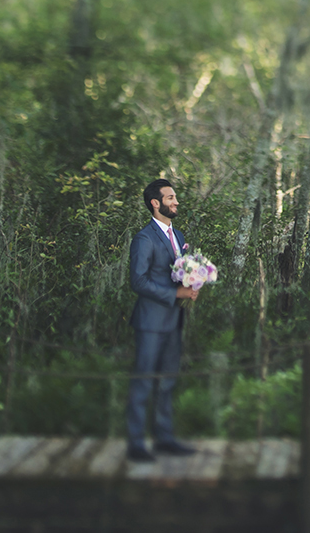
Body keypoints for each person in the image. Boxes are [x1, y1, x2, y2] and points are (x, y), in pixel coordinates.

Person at [126, 178, 200, 462]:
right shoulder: (144, 238)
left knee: (168, 381)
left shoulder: (178, 236)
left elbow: (177, 272)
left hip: (174, 319)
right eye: (170, 198)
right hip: (150, 322)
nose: (176, 201)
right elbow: (138, 281)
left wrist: (193, 282)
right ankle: (135, 443)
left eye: (175, 197)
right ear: (155, 203)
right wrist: (175, 293)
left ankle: (164, 438)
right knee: (144, 381)